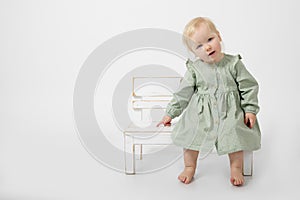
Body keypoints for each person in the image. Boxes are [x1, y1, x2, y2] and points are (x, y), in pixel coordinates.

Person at [157, 17, 261, 186]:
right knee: (191, 133)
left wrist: (250, 109)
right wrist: (170, 113)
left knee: (234, 132)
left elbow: (248, 86)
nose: (207, 47)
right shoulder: (195, 69)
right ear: (194, 52)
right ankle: (190, 166)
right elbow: (183, 93)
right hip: (201, 113)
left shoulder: (233, 64)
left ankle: (236, 167)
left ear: (218, 36)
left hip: (229, 112)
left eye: (210, 39)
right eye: (199, 46)